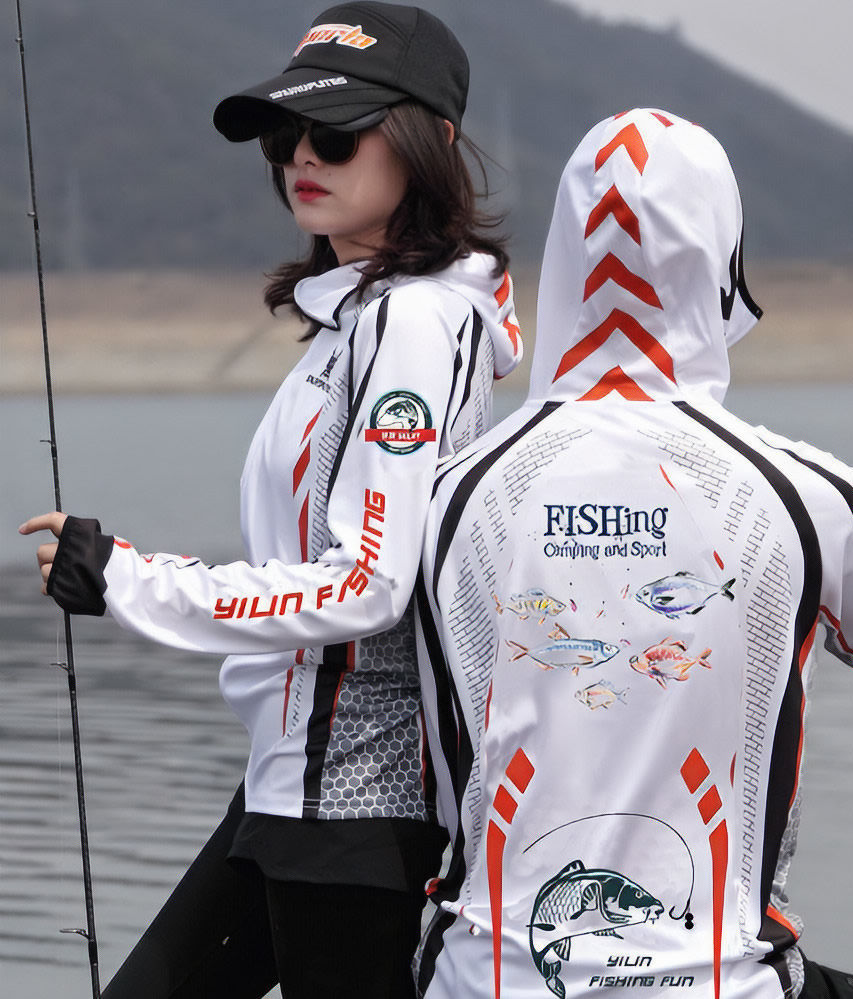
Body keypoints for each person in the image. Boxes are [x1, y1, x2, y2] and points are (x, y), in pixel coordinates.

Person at [412, 108, 853, 999]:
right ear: (722, 261)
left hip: (479, 980)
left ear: (562, 256)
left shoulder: (448, 494)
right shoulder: (808, 494)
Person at [20, 4, 522, 997]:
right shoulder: (360, 320)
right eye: (284, 135)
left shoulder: (414, 323)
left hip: (355, 800)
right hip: (290, 782)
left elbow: (369, 585)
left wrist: (132, 580)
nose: (300, 157)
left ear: (430, 143)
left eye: (336, 134)